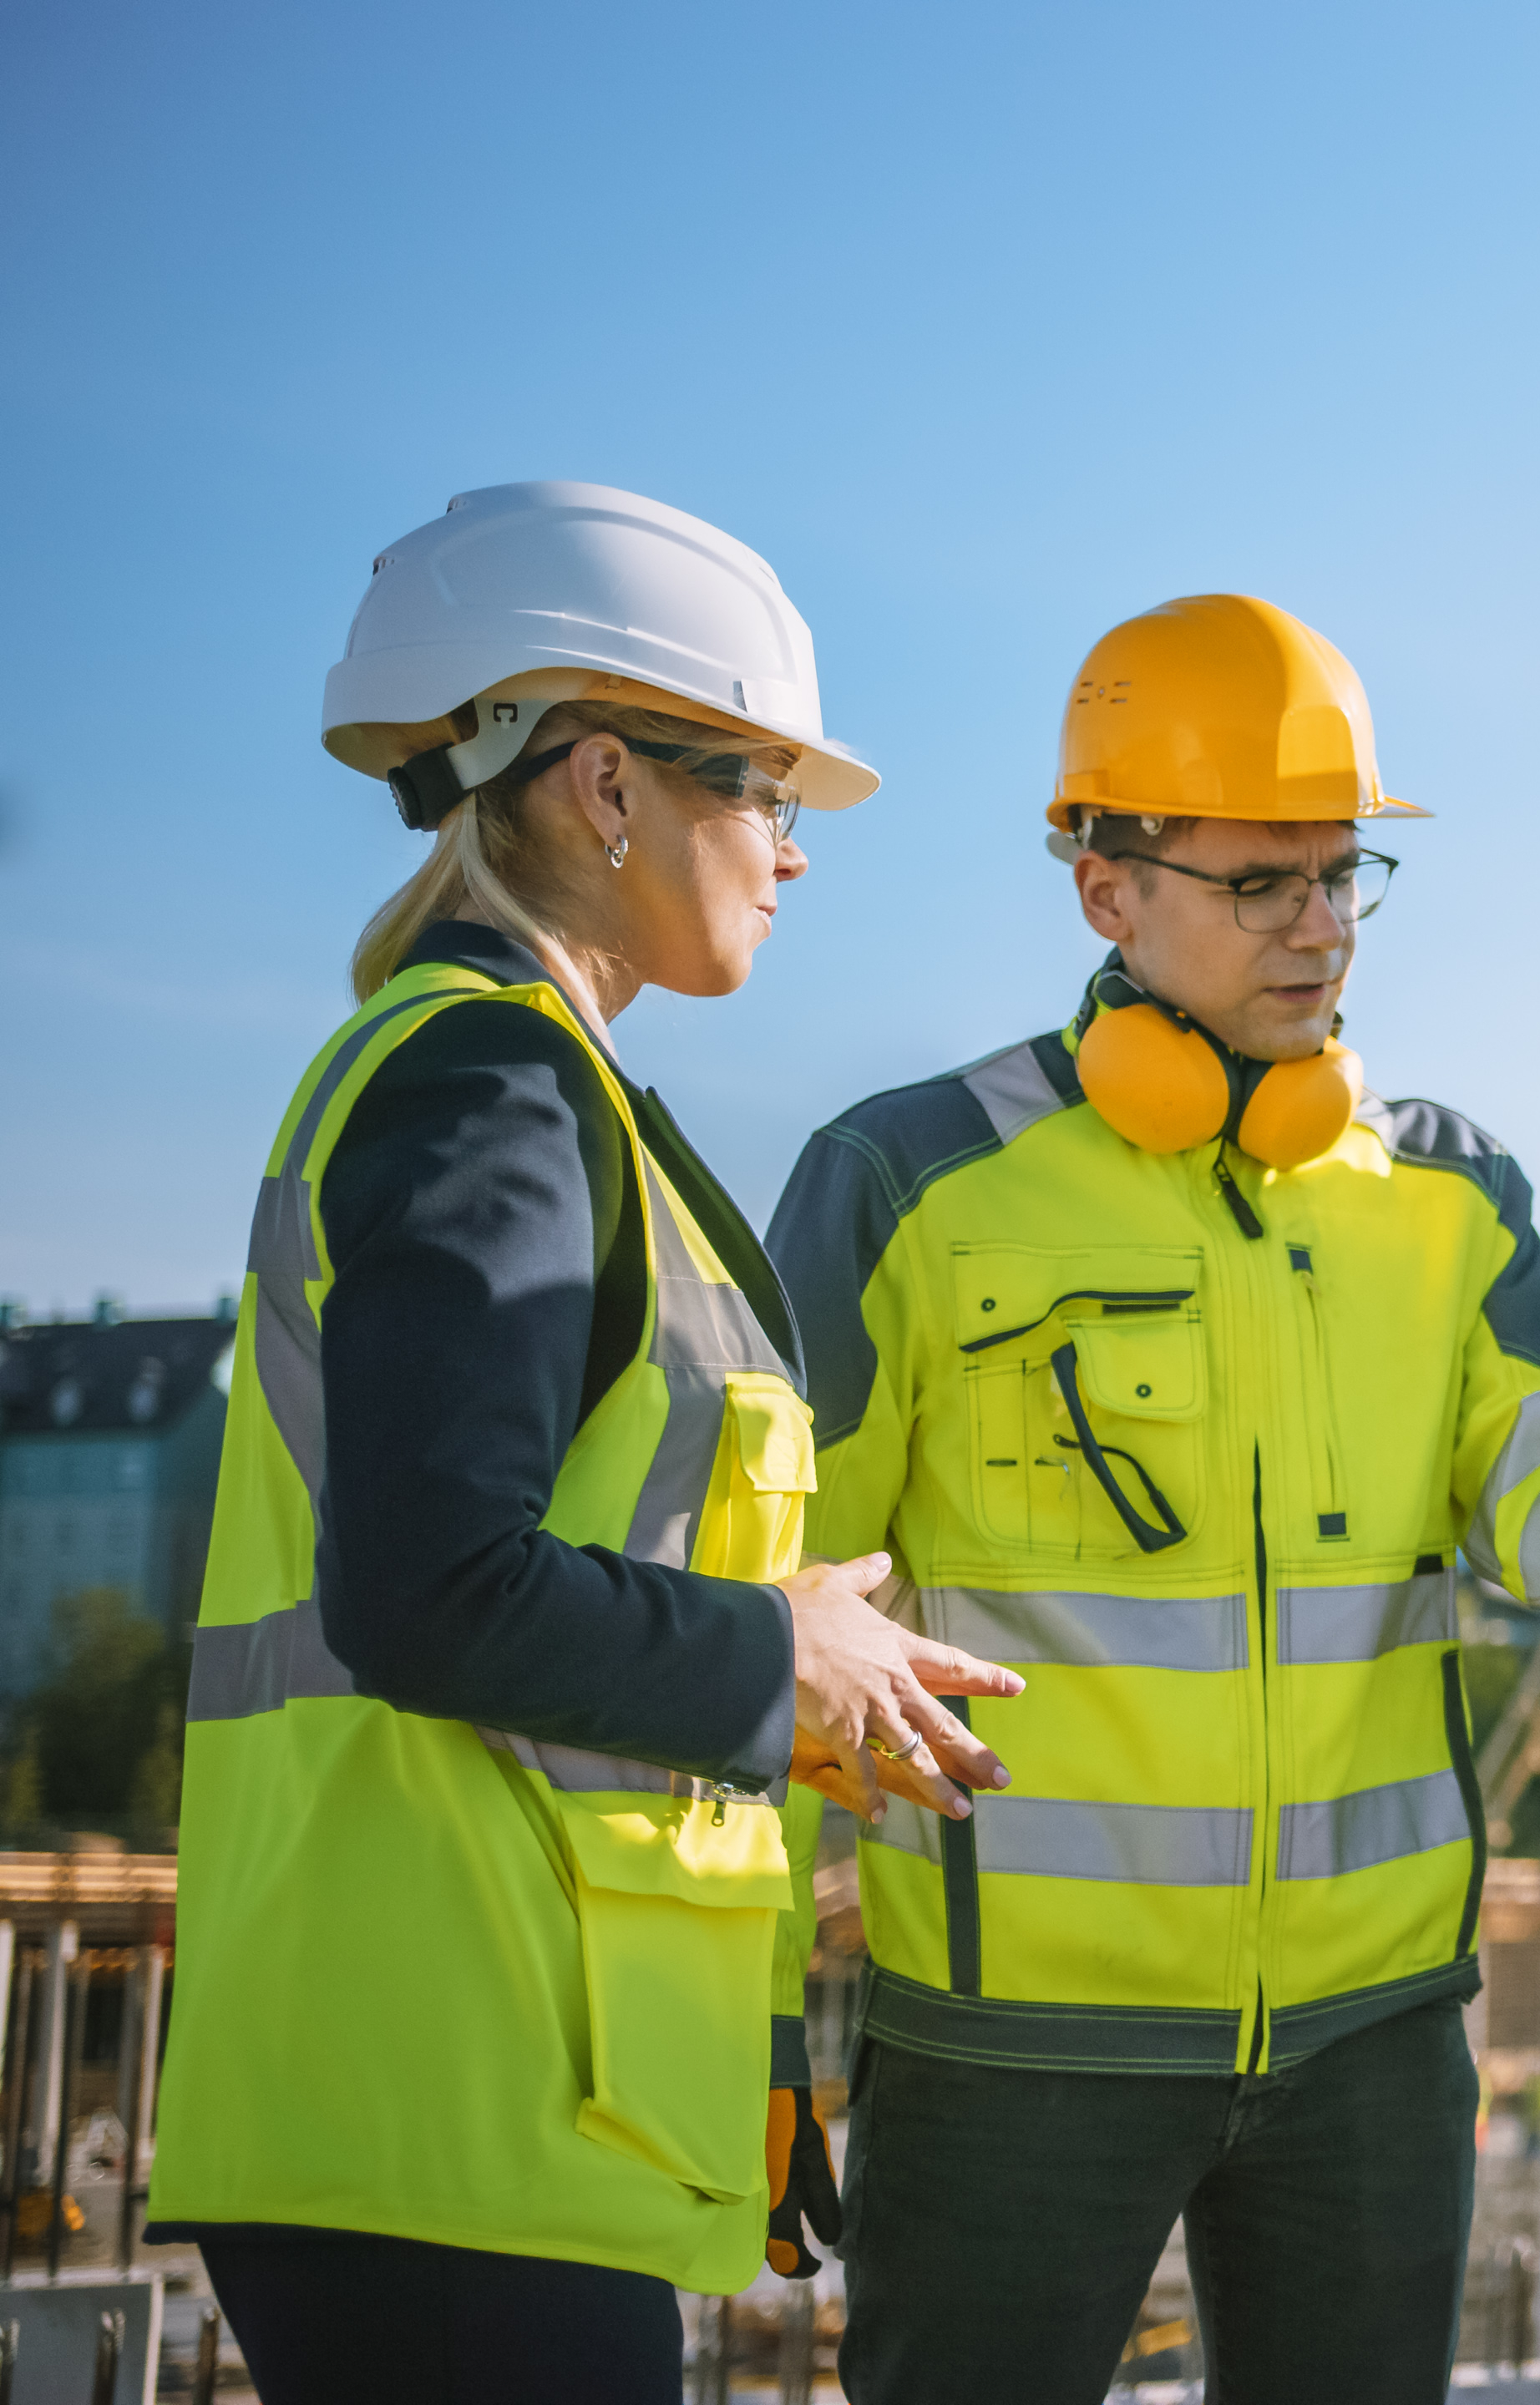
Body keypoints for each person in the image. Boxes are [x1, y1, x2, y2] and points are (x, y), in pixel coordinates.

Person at [769, 594, 1540, 2402]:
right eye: (1262, 883)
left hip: (1372, 2046)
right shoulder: (910, 1182)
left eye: (1342, 877)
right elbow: (782, 1615)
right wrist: (761, 2022)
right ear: (1103, 886)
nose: (1321, 927)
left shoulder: (1445, 1195)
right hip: (1018, 2050)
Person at [152, 482, 1020, 2402]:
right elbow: (430, 1589)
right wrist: (779, 1649)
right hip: (438, 2104)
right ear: (607, 788)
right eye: (760, 793)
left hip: (473, 2101)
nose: (794, 853)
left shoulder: (519, 1084)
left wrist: (795, 1690)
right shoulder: (490, 1082)